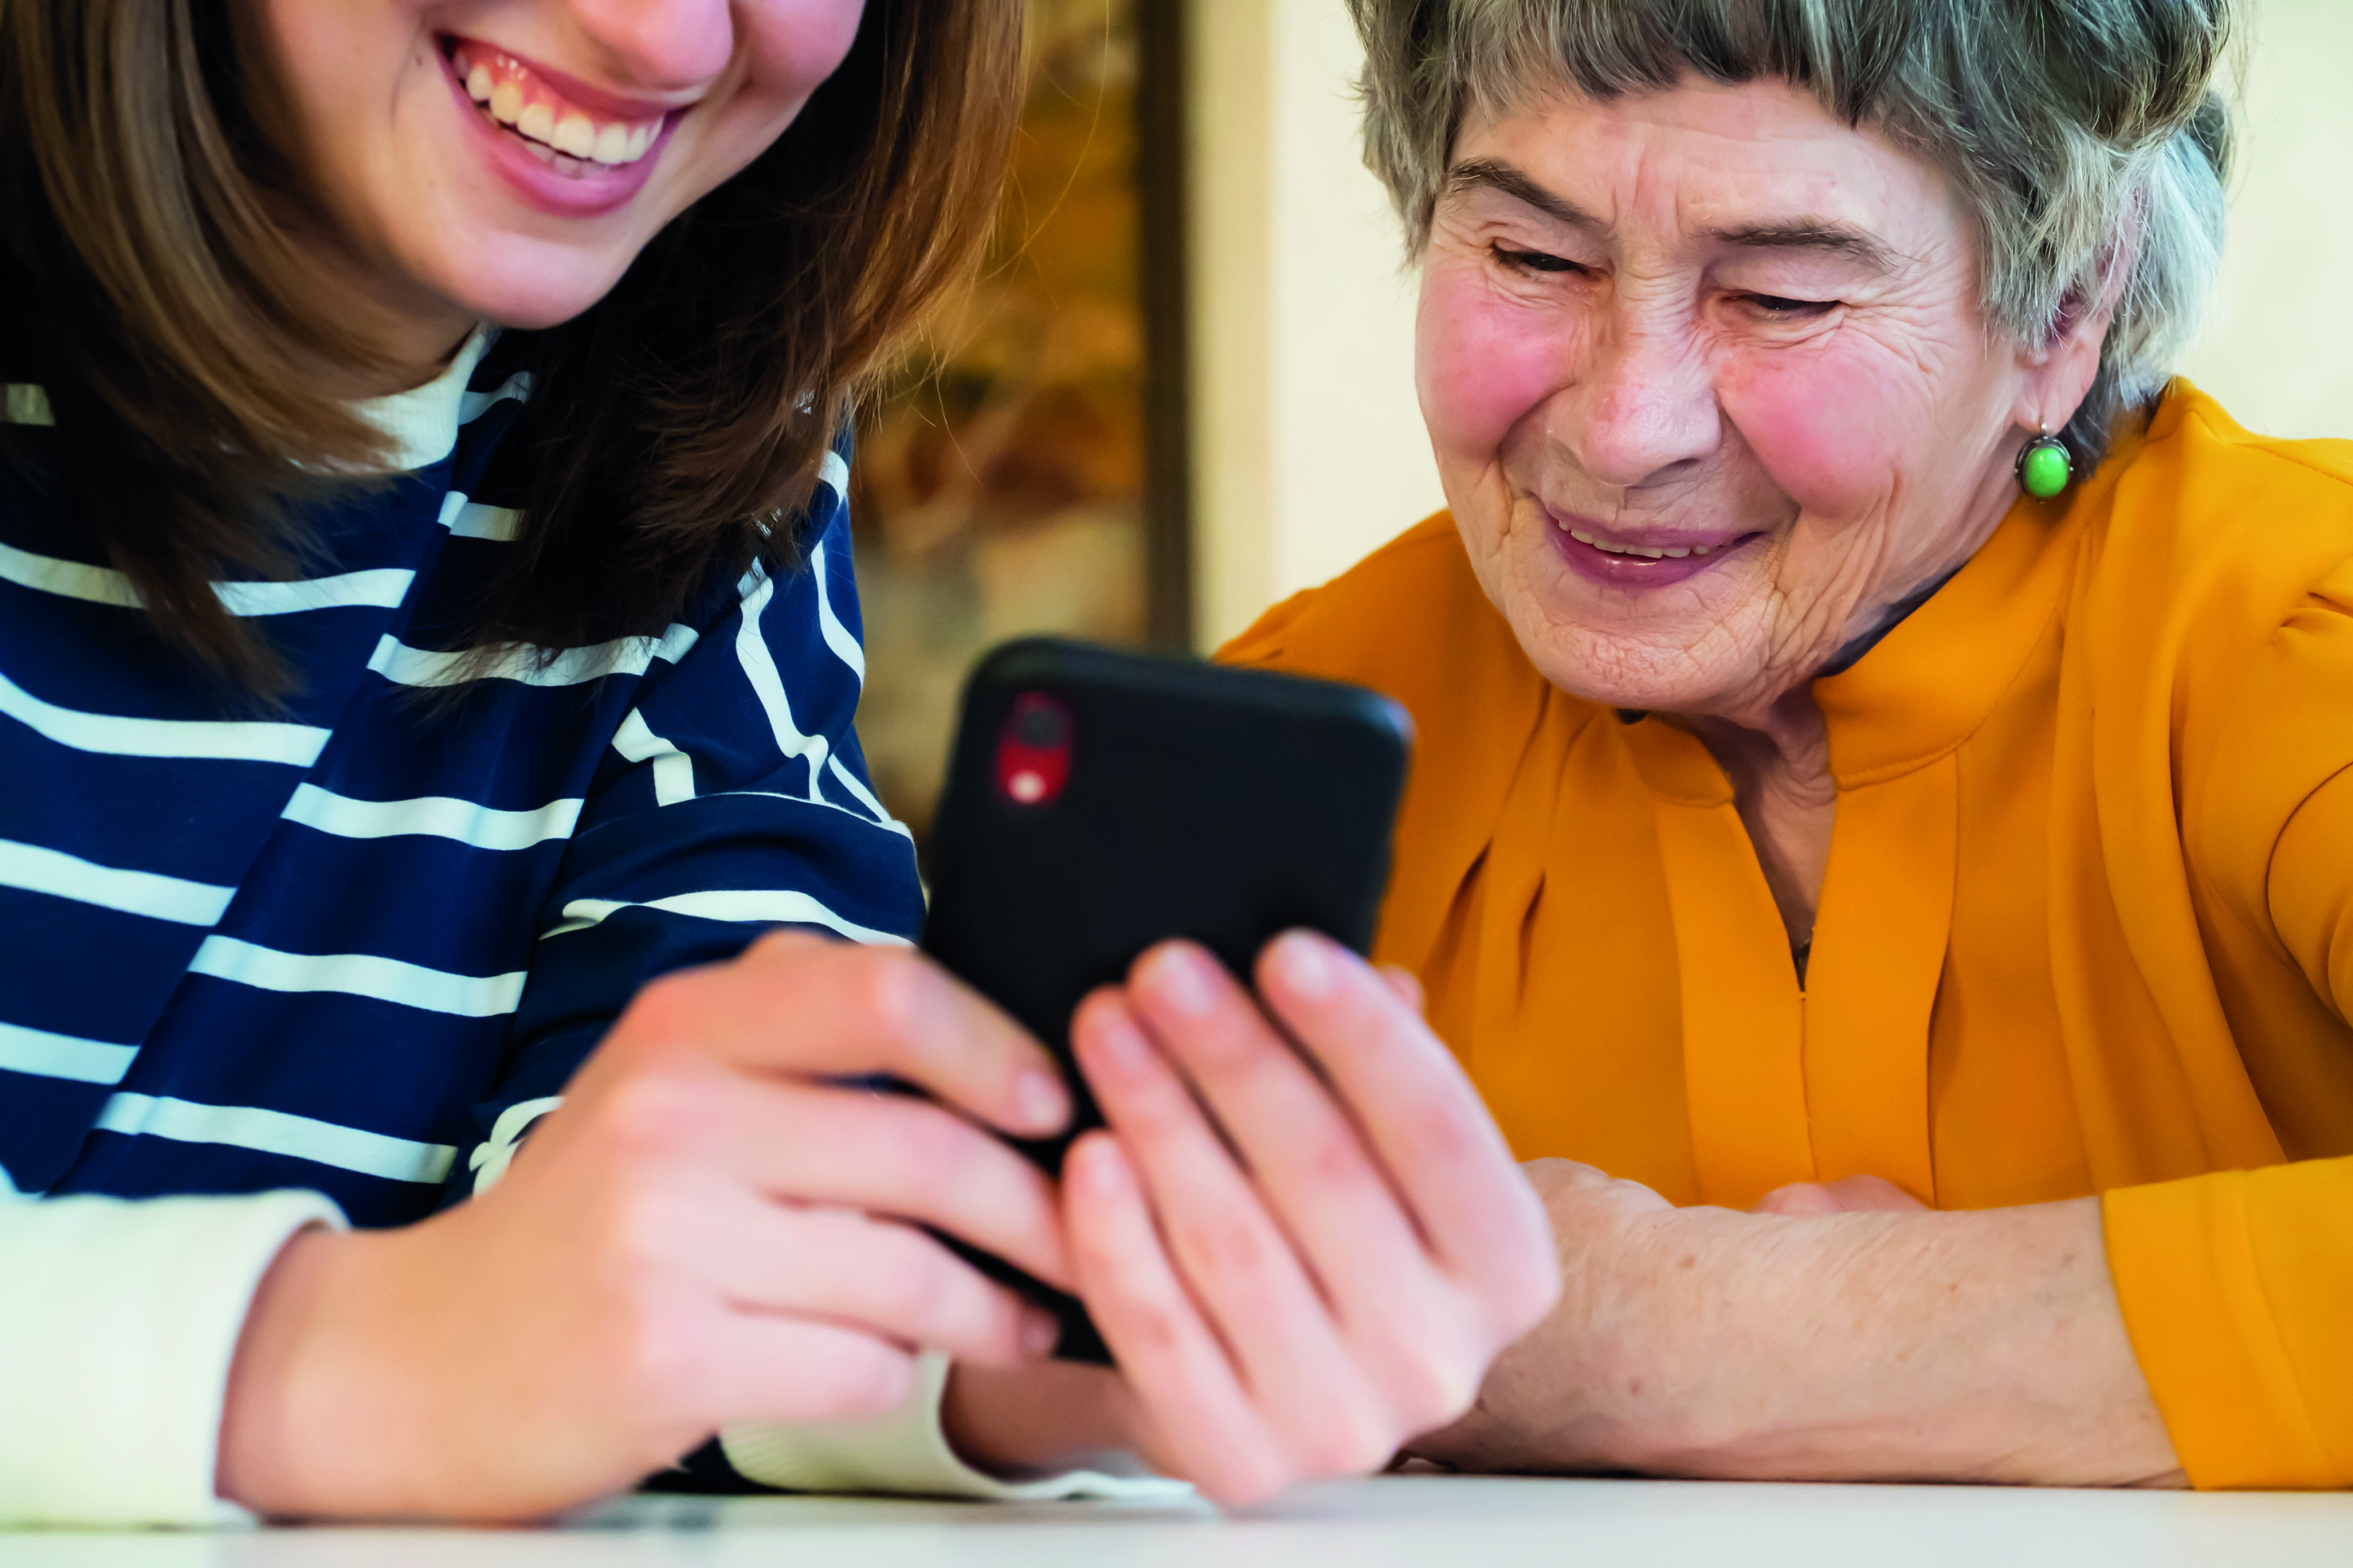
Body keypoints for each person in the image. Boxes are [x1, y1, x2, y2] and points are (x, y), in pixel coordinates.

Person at [0, 0, 1555, 1524]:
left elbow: (667, 1228)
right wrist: (323, 1362)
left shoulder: (704, 467)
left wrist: (1052, 1333)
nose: (667, 38)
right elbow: (493, 1337)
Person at [1214, 0, 2353, 1488]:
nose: (1628, 430)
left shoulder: (2286, 634)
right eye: (1531, 257)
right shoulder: (1304, 728)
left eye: (1784, 297)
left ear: (2066, 308)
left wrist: (1675, 1340)